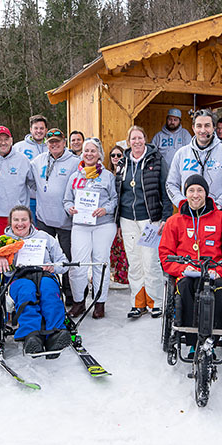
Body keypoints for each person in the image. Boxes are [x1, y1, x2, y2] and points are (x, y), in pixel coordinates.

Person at [158, 174, 222, 341]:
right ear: (185, 194)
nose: (195, 194)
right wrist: (182, 268)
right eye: (191, 190)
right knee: (186, 287)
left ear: (206, 193)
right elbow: (165, 254)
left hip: (214, 272)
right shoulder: (174, 221)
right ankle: (191, 340)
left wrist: (220, 270)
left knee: (218, 289)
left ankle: (215, 337)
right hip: (187, 272)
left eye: (200, 190)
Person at [0, 206, 71, 355]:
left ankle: (55, 332)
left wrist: (53, 266)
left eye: (24, 219)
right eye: (16, 220)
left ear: (30, 221)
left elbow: (63, 263)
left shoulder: (44, 237)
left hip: (44, 274)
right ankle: (31, 335)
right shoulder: (2, 241)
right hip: (18, 277)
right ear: (10, 222)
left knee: (48, 289)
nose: (20, 223)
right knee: (26, 290)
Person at [116, 126, 172, 319]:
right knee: (134, 261)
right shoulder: (123, 162)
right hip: (127, 219)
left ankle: (155, 301)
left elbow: (165, 189)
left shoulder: (156, 160)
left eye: (140, 138)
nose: (137, 142)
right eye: (133, 139)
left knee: (150, 260)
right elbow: (119, 191)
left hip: (149, 220)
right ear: (129, 141)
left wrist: (165, 217)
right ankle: (137, 302)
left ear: (145, 140)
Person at [64, 138, 118, 319]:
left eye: (93, 151)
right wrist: (70, 208)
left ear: (99, 154)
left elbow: (115, 199)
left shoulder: (107, 176)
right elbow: (66, 200)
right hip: (81, 225)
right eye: (86, 150)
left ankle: (99, 302)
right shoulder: (74, 176)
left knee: (100, 262)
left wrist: (106, 209)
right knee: (78, 265)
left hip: (103, 225)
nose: (89, 154)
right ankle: (79, 301)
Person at [28, 128, 80, 305]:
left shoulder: (74, 162)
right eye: (51, 142)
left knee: (66, 259)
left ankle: (70, 294)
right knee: (44, 258)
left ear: (64, 142)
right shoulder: (37, 161)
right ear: (46, 144)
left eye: (57, 141)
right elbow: (30, 181)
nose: (54, 144)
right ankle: (46, 293)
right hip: (44, 219)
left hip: (66, 221)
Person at [166, 108, 222, 211]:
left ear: (213, 128)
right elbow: (171, 184)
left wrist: (219, 204)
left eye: (207, 126)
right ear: (193, 128)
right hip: (189, 215)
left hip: (217, 213)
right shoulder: (181, 154)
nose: (203, 130)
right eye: (199, 126)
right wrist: (181, 202)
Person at [0, 126, 31, 240]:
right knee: (1, 246)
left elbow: (33, 182)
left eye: (6, 139)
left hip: (19, 213)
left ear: (11, 140)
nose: (3, 143)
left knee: (20, 246)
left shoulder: (22, 159)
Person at [13, 114, 49, 219]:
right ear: (30, 129)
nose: (39, 131)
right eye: (36, 128)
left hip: (47, 199)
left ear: (46, 130)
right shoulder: (19, 147)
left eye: (42, 128)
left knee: (44, 231)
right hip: (28, 198)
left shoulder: (52, 146)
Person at [107, 145, 129, 287]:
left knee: (121, 247)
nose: (115, 158)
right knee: (110, 247)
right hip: (108, 216)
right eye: (113, 155)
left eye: (119, 155)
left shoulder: (126, 174)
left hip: (121, 214)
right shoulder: (106, 174)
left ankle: (121, 276)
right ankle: (110, 274)